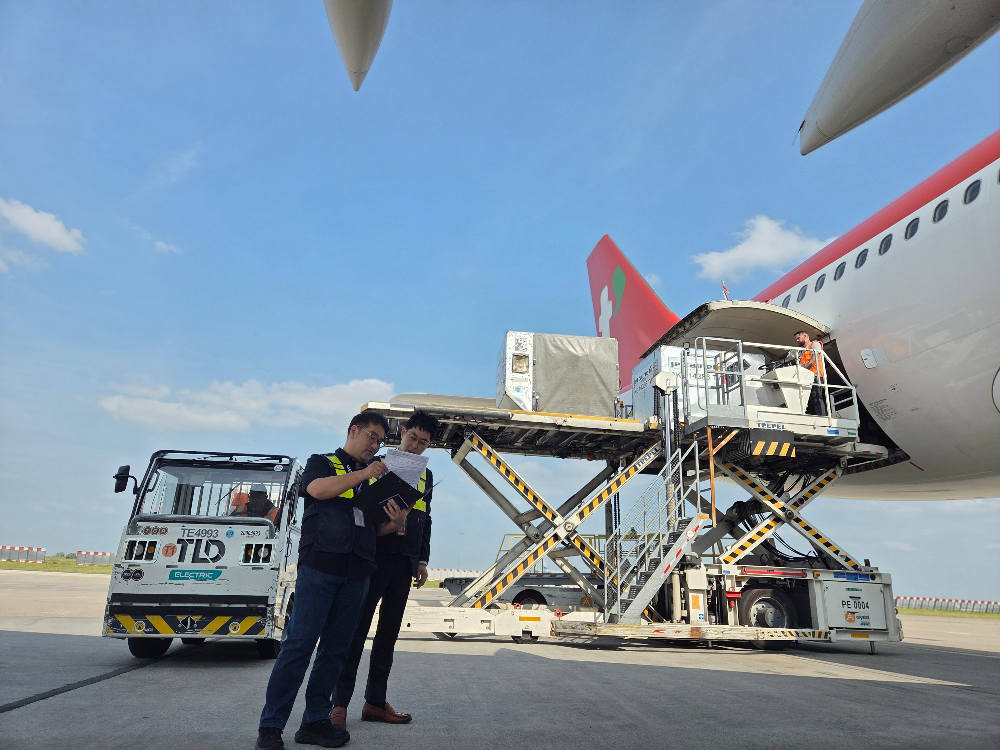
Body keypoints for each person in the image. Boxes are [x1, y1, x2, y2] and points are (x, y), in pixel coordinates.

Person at [255, 410, 410, 750]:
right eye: (372, 436)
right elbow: (317, 490)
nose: (375, 445)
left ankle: (314, 721)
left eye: (380, 442)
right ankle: (271, 726)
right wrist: (365, 473)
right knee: (298, 646)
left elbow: (375, 528)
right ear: (354, 430)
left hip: (357, 572)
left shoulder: (375, 479)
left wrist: (396, 522)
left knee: (335, 651)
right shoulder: (322, 462)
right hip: (320, 568)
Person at [332, 411, 439, 730]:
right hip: (374, 557)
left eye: (424, 443)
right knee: (356, 631)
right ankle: (338, 705)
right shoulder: (373, 465)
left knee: (388, 635)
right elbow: (358, 509)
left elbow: (426, 517)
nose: (416, 446)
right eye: (412, 438)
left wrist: (422, 560)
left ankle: (375, 703)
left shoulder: (426, 475)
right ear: (403, 433)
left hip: (405, 561)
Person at [794, 330, 828, 416]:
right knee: (809, 399)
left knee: (817, 397)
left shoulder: (815, 344)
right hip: (807, 377)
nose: (797, 340)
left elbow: (813, 360)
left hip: (816, 375)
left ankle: (822, 417)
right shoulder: (802, 352)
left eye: (798, 338)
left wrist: (805, 367)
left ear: (805, 336)